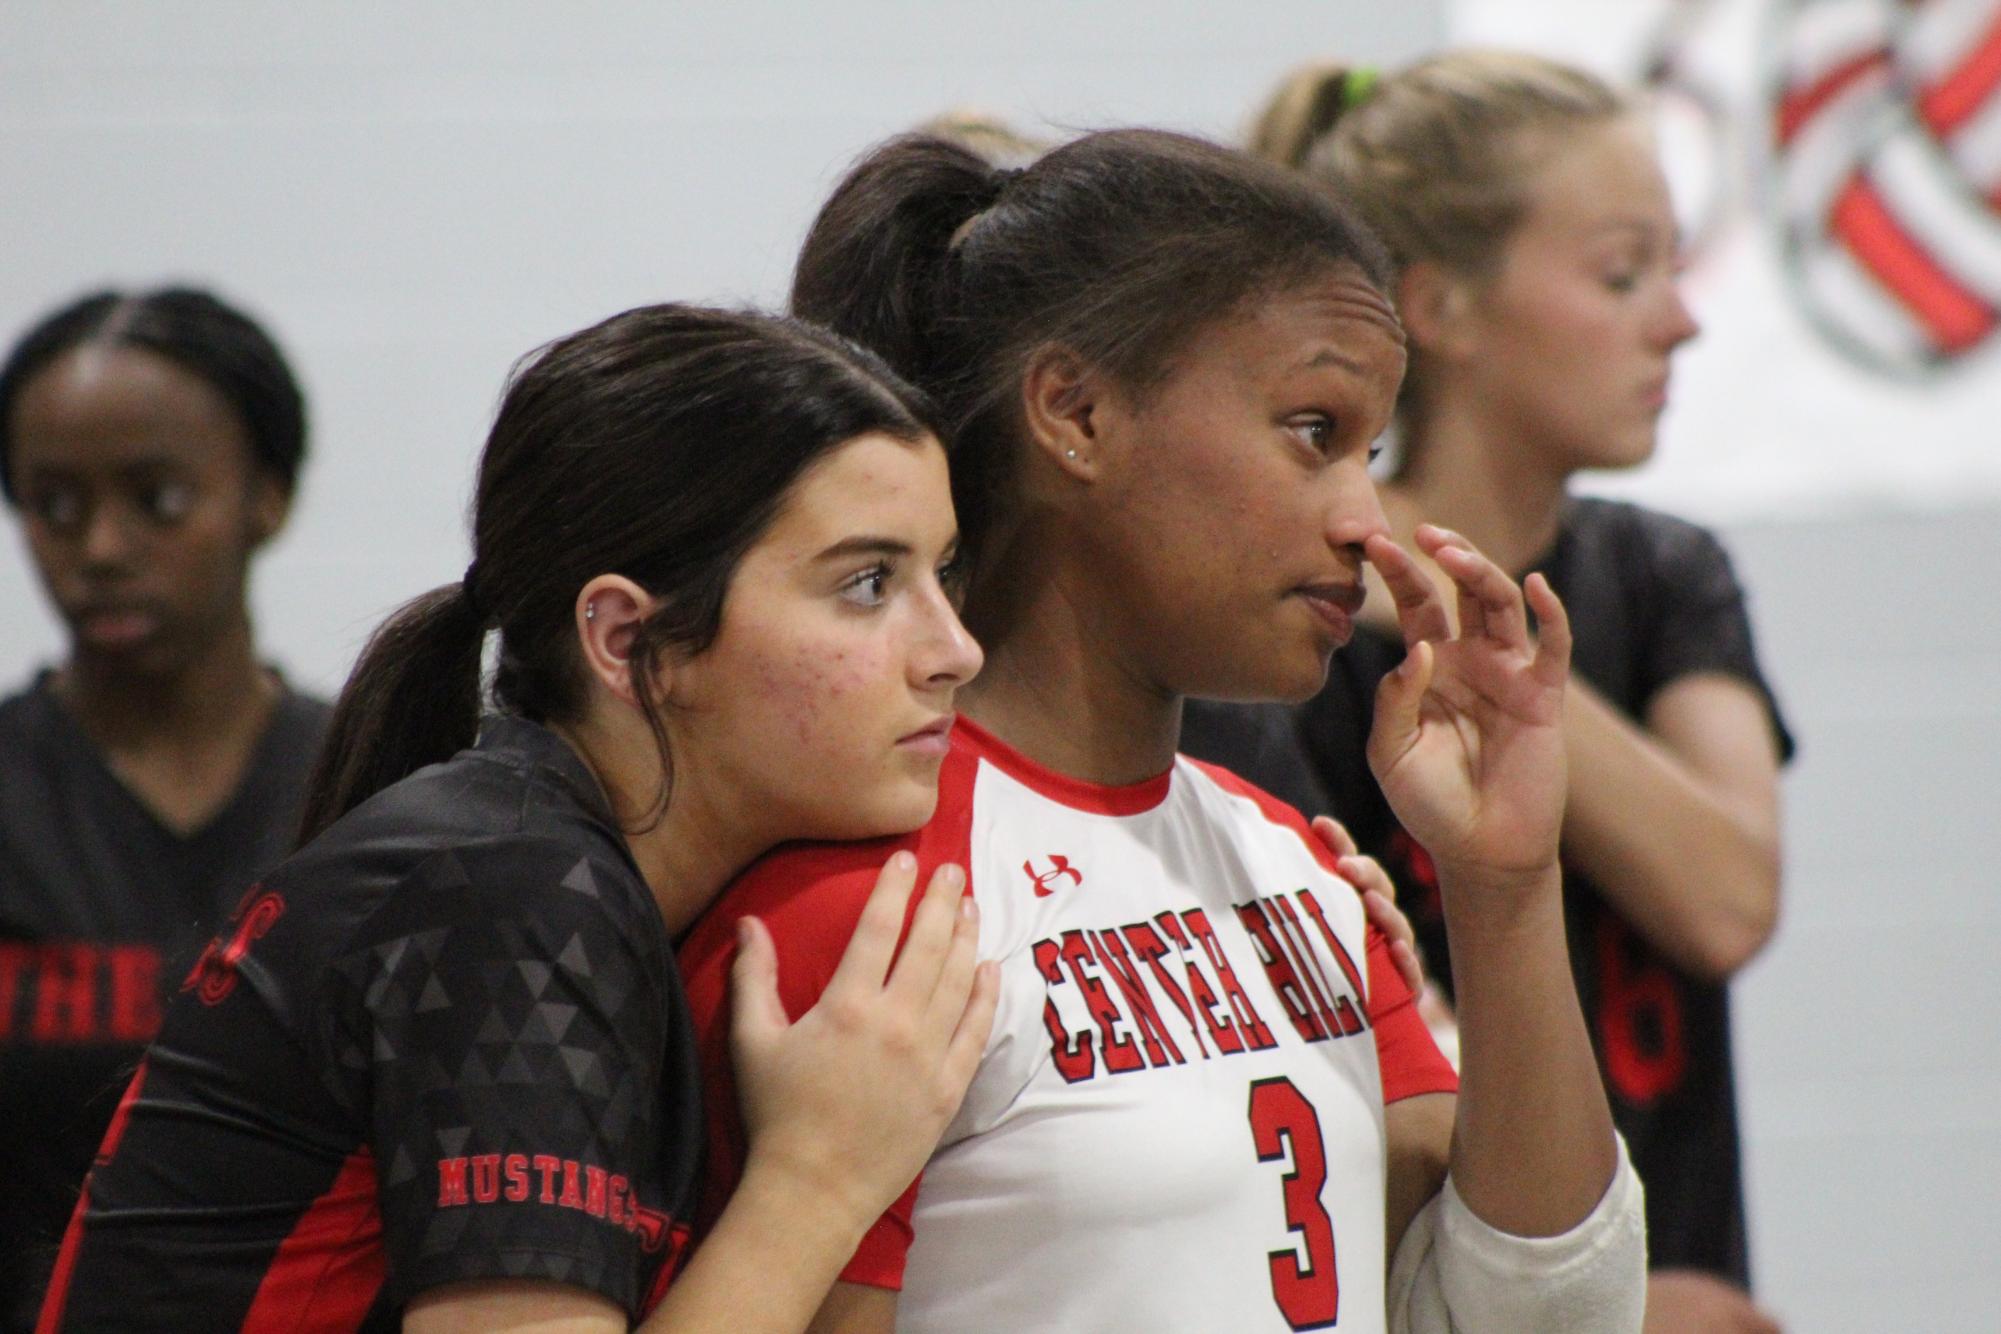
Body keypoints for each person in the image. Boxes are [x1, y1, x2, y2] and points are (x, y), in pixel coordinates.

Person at [678, 129, 1646, 1332]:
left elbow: (1546, 1317)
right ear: (1076, 413)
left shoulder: (1297, 864)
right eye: (1313, 431)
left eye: (1374, 450)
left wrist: (1506, 885)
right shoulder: (877, 902)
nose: (1365, 519)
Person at [37, 303, 1001, 1332]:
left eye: (939, 573)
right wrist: (818, 1176)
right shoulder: (513, 892)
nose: (955, 649)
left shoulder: (528, 856)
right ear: (632, 640)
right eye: (866, 583)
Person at [1209, 53, 1794, 1333]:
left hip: (1684, 1263)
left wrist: (1497, 653)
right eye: (1623, 272)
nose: (1679, 320)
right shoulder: (1294, 634)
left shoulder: (1662, 571)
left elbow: (1728, 897)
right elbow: (1374, 1040)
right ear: (1443, 308)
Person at [0, 287, 331, 1332]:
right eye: (54, 504)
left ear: (264, 496)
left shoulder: (373, 792)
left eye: (158, 498)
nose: (99, 546)